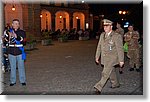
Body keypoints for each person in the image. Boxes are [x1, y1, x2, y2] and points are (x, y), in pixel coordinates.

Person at [94, 19, 124, 94]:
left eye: (107, 26)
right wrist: (97, 56)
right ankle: (115, 84)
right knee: (111, 71)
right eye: (104, 26)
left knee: (105, 72)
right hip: (104, 58)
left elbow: (120, 49)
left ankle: (98, 87)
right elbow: (99, 46)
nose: (105, 28)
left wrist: (121, 60)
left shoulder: (116, 36)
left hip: (112, 58)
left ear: (111, 26)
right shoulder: (102, 35)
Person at [7, 19, 26, 86]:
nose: (16, 25)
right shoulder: (8, 32)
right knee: (12, 67)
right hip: (11, 51)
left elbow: (23, 41)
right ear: (12, 24)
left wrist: (16, 36)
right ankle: (13, 81)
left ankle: (22, 80)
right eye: (15, 23)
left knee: (21, 67)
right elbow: (6, 42)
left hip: (19, 51)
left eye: (18, 23)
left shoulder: (22, 32)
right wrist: (9, 36)